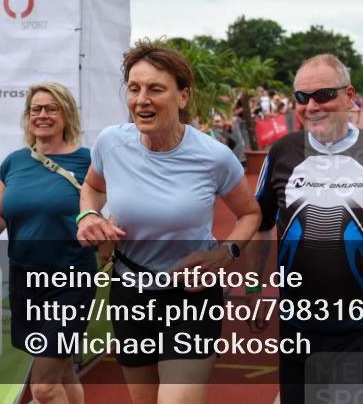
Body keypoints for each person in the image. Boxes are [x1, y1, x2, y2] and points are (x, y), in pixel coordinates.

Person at [76, 40, 261, 404]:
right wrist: (89, 215)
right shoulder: (111, 142)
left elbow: (250, 213)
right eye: (134, 89)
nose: (142, 100)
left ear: (183, 96)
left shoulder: (213, 157)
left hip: (192, 297)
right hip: (130, 293)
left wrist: (225, 253)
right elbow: (93, 188)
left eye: (156, 89)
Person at [245, 54, 363, 404]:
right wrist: (254, 286)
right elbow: (261, 223)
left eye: (323, 95)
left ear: (349, 96)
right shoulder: (282, 152)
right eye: (302, 97)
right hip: (298, 328)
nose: (311, 106)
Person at [0, 82, 94, 404]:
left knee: (44, 388)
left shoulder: (88, 162)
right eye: (36, 109)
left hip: (69, 281)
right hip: (26, 280)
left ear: (66, 114)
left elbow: (106, 210)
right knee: (63, 370)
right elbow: (0, 213)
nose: (42, 115)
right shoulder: (14, 162)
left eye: (51, 108)